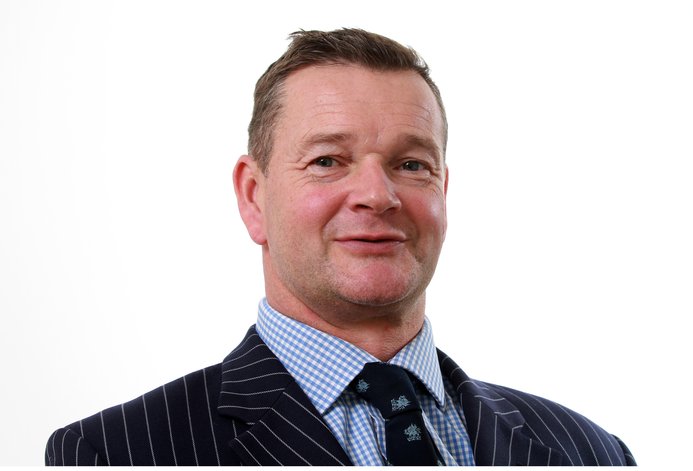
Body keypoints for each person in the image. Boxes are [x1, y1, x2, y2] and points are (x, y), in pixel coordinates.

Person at [45, 28, 636, 466]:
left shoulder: (590, 452)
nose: (377, 195)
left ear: (443, 190)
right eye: (328, 160)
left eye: (412, 164)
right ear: (254, 197)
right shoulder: (116, 452)